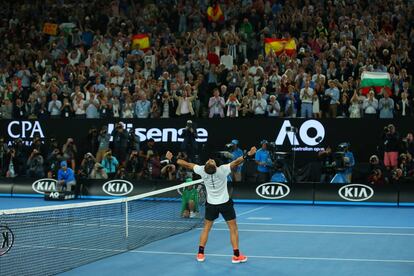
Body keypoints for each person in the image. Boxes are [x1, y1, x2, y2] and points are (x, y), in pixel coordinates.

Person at [165, 146, 257, 264]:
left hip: (211, 205)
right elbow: (237, 162)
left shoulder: (202, 170)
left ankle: (200, 254)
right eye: (210, 161)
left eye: (210, 160)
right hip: (225, 204)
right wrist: (248, 155)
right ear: (215, 167)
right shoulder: (222, 170)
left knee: (206, 229)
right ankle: (236, 256)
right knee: (233, 229)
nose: (210, 159)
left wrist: (172, 159)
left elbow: (187, 165)